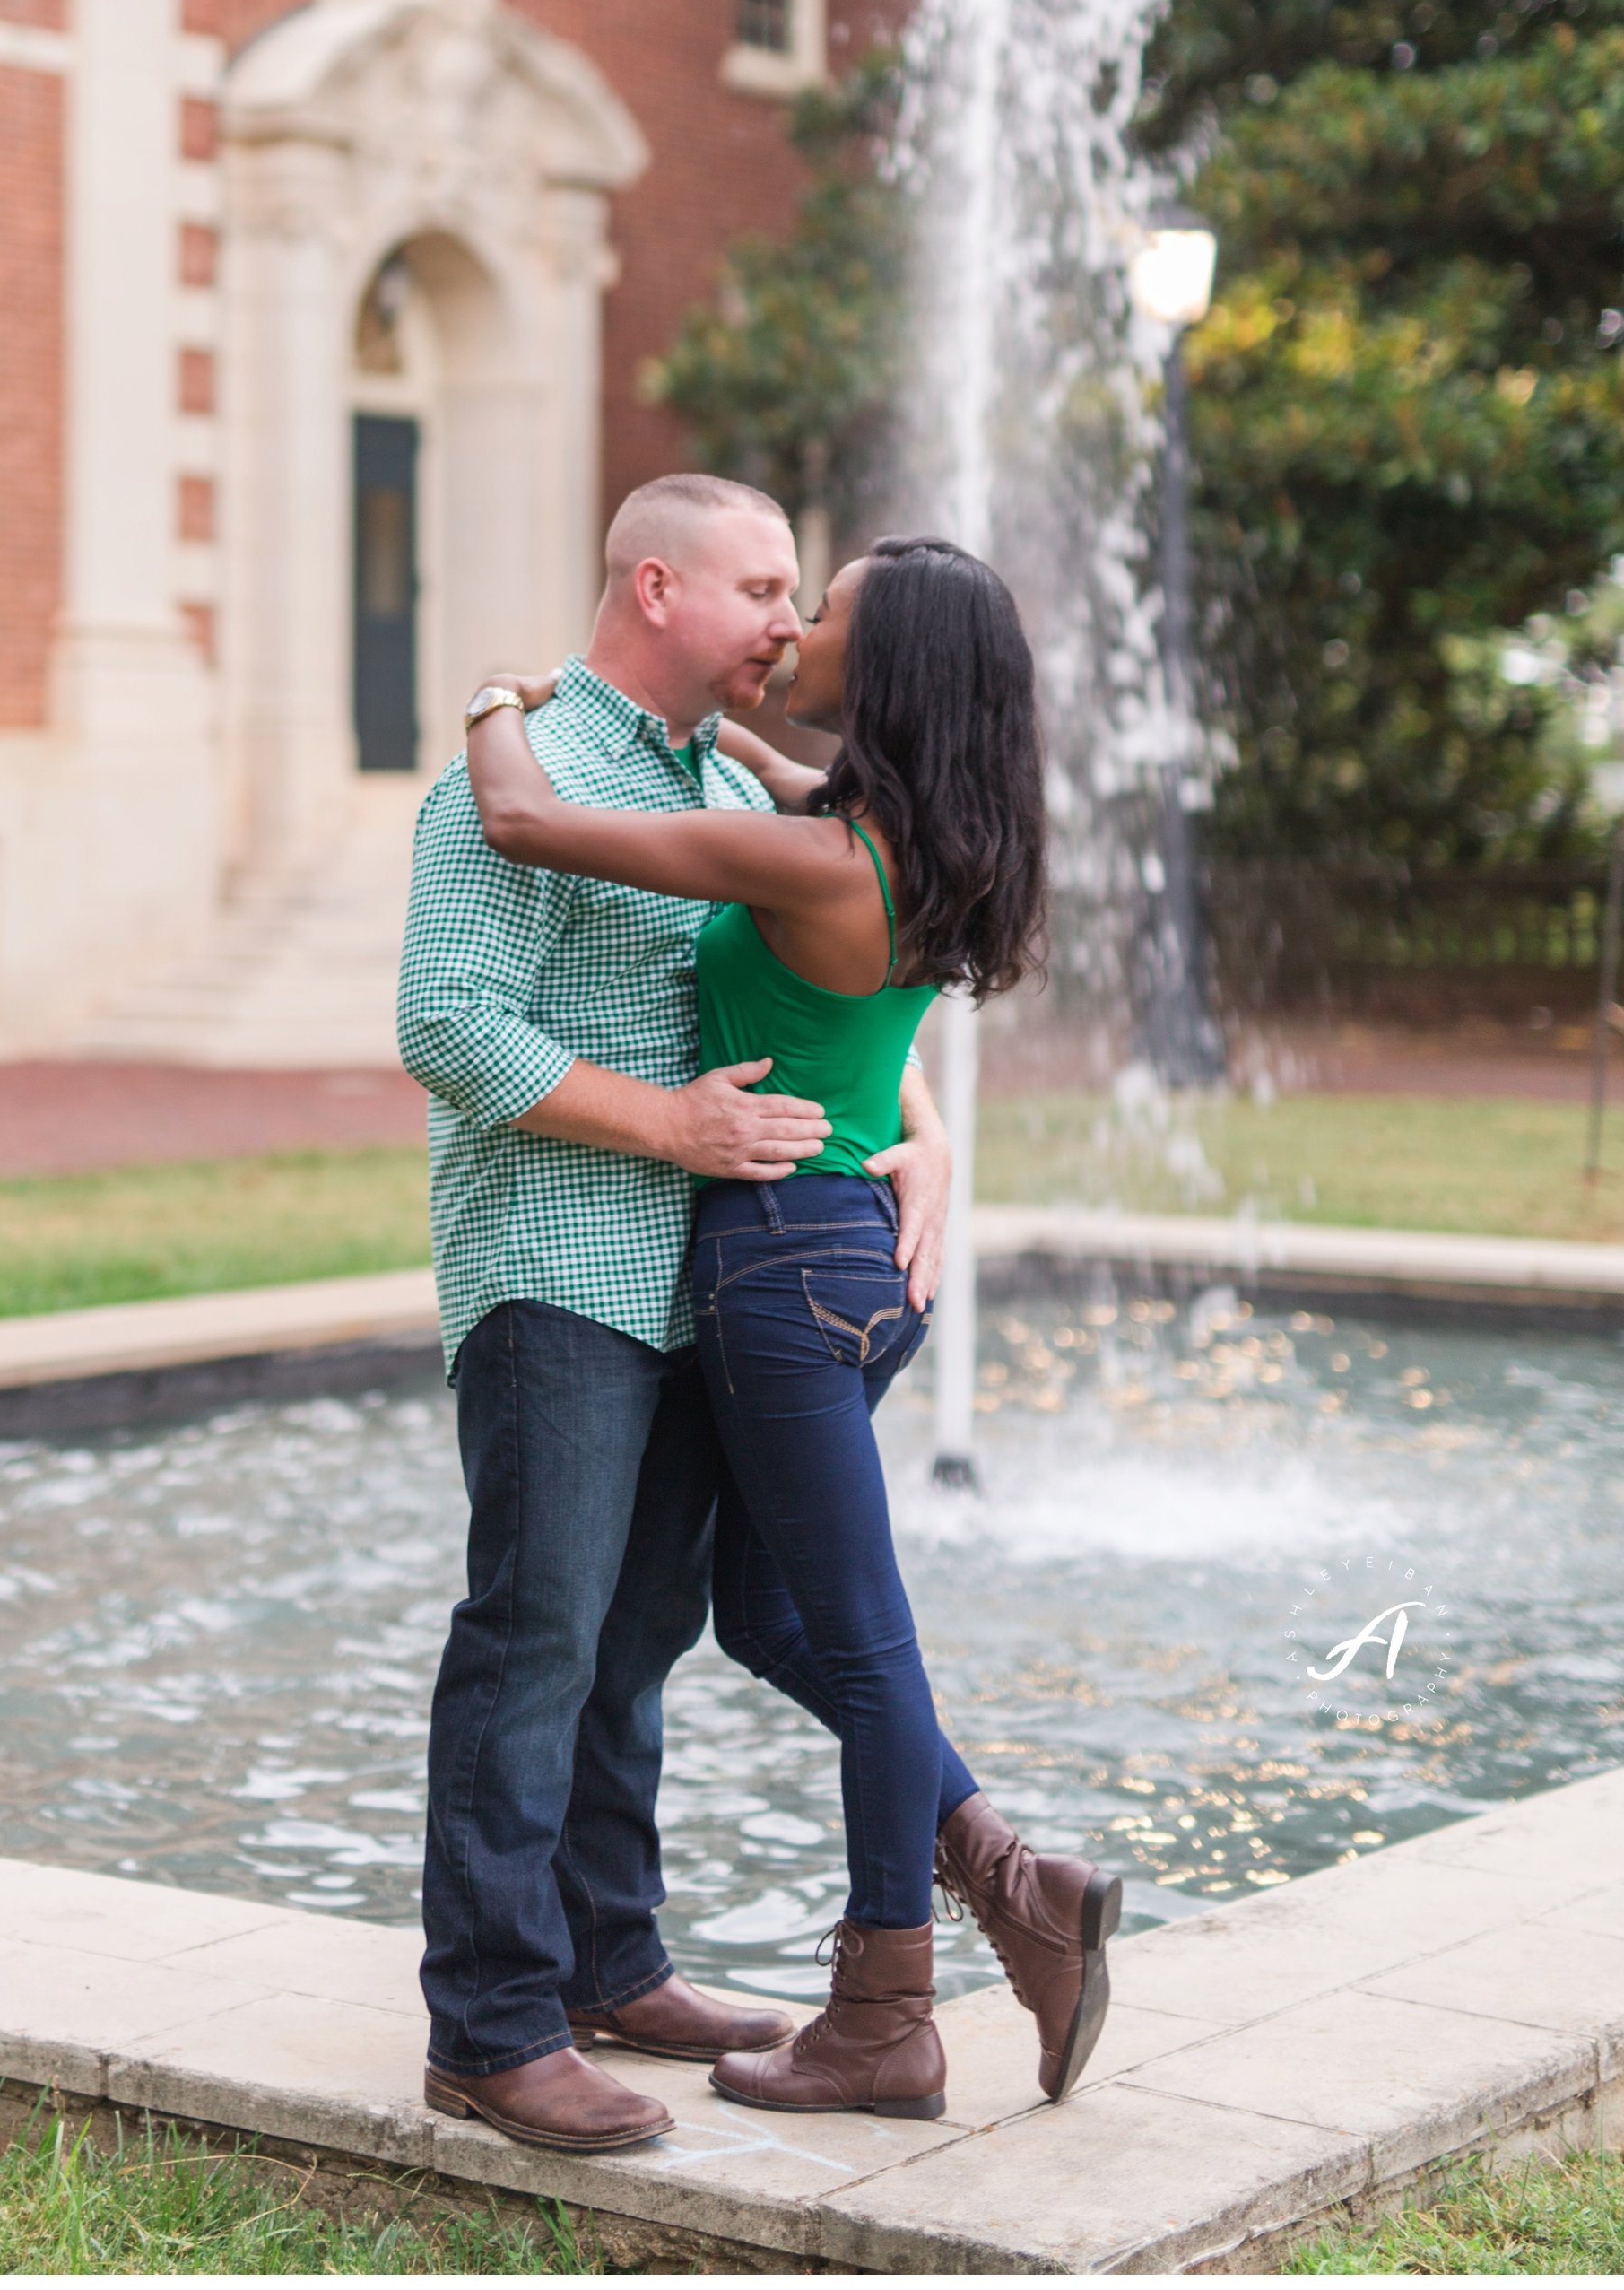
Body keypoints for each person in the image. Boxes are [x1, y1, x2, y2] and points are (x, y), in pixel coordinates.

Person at [464, 535, 1122, 2122]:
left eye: (819, 609)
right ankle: (1011, 1879)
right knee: (765, 1616)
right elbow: (771, 773)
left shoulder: (813, 864)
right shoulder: (908, 839)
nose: (796, 622)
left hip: (778, 1271)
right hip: (854, 1268)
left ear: (876, 668)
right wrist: (740, 739)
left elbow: (527, 817)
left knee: (870, 1646)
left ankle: (886, 2007)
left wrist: (495, 696)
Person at [397, 474, 957, 2155]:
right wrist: (673, 1126)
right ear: (658, 587)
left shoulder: (723, 771)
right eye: (764, 588)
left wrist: (921, 1128)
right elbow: (447, 1025)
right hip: (560, 1262)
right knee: (539, 1632)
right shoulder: (515, 775)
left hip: (709, 1276)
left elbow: (822, 963)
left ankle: (608, 1960)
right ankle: (487, 2022)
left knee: (637, 1639)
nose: (790, 624)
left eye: (803, 594)